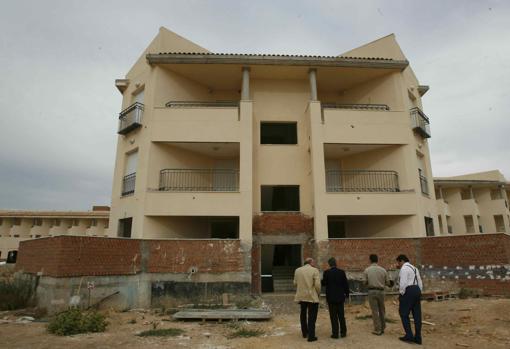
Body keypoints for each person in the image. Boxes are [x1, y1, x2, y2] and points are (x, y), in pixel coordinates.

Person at [396, 254, 423, 345]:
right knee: (417, 315)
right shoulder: (415, 268)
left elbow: (403, 283)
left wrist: (401, 293)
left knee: (403, 313)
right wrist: (419, 291)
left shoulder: (404, 268)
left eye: (398, 262)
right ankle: (418, 337)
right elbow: (420, 281)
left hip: (408, 291)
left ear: (402, 261)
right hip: (417, 290)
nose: (398, 264)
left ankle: (409, 335)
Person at [363, 254, 392, 336]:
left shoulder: (367, 270)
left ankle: (377, 329)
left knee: (375, 311)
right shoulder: (383, 270)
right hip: (381, 292)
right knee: (382, 310)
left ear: (370, 260)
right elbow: (388, 283)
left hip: (372, 291)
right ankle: (383, 327)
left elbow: (364, 283)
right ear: (377, 260)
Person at [293, 257, 321, 342]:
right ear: (310, 262)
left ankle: (304, 333)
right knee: (312, 316)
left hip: (301, 296)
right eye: (313, 262)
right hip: (311, 296)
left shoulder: (297, 270)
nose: (314, 263)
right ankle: (311, 336)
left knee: (303, 314)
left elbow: (295, 283)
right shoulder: (315, 270)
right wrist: (318, 293)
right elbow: (317, 285)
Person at [321, 257, 350, 339]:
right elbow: (345, 284)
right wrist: (347, 295)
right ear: (336, 263)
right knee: (341, 315)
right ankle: (343, 332)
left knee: (333, 316)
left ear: (329, 264)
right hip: (340, 297)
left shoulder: (326, 272)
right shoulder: (341, 272)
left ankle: (335, 333)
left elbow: (324, 284)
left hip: (331, 297)